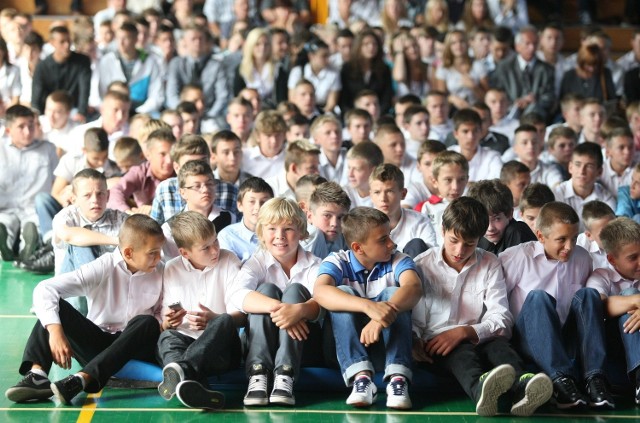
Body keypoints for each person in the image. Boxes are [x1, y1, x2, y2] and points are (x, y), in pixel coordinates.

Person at [413, 196, 552, 417]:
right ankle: (482, 391)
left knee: (500, 348)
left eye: (469, 244)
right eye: (453, 240)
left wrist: (466, 331)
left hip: (479, 336)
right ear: (442, 230)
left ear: (480, 239)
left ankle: (523, 387)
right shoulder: (422, 264)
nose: (459, 250)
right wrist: (415, 340)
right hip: (440, 344)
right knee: (462, 354)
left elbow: (502, 317)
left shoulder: (489, 262)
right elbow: (416, 318)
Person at [5, 215, 165, 405]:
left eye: (160, 251)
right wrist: (55, 332)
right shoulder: (104, 266)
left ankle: (82, 379)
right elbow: (45, 288)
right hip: (97, 344)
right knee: (54, 309)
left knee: (147, 322)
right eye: (152, 253)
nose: (159, 257)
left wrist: (166, 320)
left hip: (133, 345)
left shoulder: (161, 270)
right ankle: (37, 375)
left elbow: (160, 313)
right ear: (129, 253)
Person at [500, 202, 615, 409]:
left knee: (589, 295)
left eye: (573, 238)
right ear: (541, 236)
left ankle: (594, 378)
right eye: (561, 240)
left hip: (565, 339)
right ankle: (561, 380)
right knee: (538, 297)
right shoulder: (516, 257)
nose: (569, 247)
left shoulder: (582, 258)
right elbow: (497, 304)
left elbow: (584, 310)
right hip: (528, 338)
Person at [313, 207, 423, 409]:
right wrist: (368, 307)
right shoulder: (338, 260)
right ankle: (360, 379)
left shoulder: (398, 258)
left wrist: (379, 318)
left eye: (389, 235)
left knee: (393, 294)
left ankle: (398, 380)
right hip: (342, 353)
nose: (392, 243)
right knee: (343, 291)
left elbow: (414, 287)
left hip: (386, 349)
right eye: (383, 240)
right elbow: (320, 292)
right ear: (358, 247)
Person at [228, 197, 322, 406]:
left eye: (288, 228)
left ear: (301, 232)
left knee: (296, 291)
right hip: (262, 346)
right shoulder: (257, 262)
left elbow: (323, 301)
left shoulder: (315, 264)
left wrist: (301, 310)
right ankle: (258, 374)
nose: (279, 236)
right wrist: (283, 310)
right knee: (266, 291)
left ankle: (285, 374)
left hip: (304, 347)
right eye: (271, 229)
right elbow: (236, 294)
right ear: (261, 233)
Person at [157, 212, 244, 410]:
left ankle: (181, 371)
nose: (215, 250)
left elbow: (241, 317)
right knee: (167, 337)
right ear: (184, 253)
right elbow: (167, 320)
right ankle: (195, 389)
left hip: (221, 350)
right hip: (186, 342)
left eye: (216, 242)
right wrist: (170, 321)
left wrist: (212, 319)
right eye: (206, 248)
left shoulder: (229, 260)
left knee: (224, 320)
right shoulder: (171, 268)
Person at [588, 217, 640, 405]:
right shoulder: (601, 275)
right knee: (629, 295)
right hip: (614, 355)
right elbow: (599, 306)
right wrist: (635, 301)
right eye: (633, 258)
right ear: (612, 259)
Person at [0, 105, 58, 262]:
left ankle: (28, 247)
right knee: (3, 224)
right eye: (21, 127)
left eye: (31, 125)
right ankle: (4, 246)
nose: (28, 131)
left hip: (34, 209)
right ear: (8, 130)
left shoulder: (48, 149)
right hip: (4, 208)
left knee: (33, 227)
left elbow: (57, 182)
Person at [151, 135, 239, 225]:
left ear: (210, 161)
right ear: (177, 167)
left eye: (203, 162)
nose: (199, 169)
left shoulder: (230, 191)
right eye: (190, 165)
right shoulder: (165, 189)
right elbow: (154, 230)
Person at [162, 160, 236, 259]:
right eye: (197, 186)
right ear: (183, 192)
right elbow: (170, 264)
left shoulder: (229, 218)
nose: (205, 190)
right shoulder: (170, 228)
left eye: (209, 184)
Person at [95, 22, 163, 115]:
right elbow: (102, 93)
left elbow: (156, 97)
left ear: (135, 39)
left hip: (142, 112)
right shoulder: (107, 61)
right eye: (118, 38)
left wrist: (137, 113)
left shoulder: (150, 61)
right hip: (114, 110)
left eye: (126, 38)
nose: (121, 43)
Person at [489, 26, 555, 122]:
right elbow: (497, 93)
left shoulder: (547, 69)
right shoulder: (503, 68)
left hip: (537, 117)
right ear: (517, 46)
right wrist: (515, 103)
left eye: (535, 44)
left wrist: (534, 101)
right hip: (508, 115)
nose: (532, 48)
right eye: (527, 44)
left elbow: (549, 97)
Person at [107, 128, 176, 215]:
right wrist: (129, 213)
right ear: (148, 154)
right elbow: (115, 193)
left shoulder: (181, 173)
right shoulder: (139, 173)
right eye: (162, 154)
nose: (169, 160)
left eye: (172, 153)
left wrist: (155, 210)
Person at [31, 26, 92, 122]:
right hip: (50, 113)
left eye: (68, 41)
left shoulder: (82, 61)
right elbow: (36, 97)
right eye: (62, 42)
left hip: (74, 111)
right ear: (52, 43)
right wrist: (37, 118)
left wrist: (81, 112)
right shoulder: (42, 67)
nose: (67, 45)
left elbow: (85, 89)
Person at [553, 142, 616, 231]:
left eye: (589, 166)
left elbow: (609, 233)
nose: (582, 171)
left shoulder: (606, 199)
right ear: (570, 167)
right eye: (578, 164)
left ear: (599, 172)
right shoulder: (556, 194)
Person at [467, 179, 536, 255]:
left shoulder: (517, 231)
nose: (490, 228)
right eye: (483, 220)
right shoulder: (479, 238)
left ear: (510, 214)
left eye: (497, 219)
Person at [218, 177, 274, 262]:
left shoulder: (279, 234)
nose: (258, 207)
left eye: (263, 202)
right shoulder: (227, 236)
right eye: (252, 201)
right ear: (240, 205)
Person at [339, 29, 392, 116]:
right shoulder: (347, 69)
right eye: (366, 44)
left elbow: (386, 98)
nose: (371, 47)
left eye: (374, 44)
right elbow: (344, 99)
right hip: (353, 116)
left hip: (378, 116)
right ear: (358, 46)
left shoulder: (384, 69)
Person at [233, 28, 288, 109]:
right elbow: (237, 96)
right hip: (248, 111)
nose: (262, 48)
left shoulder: (278, 69)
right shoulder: (241, 69)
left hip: (271, 111)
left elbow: (281, 98)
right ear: (250, 46)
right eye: (257, 44)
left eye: (266, 44)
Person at [434, 30, 488, 111]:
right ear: (449, 46)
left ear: (467, 43)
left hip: (477, 110)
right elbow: (439, 98)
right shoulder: (443, 68)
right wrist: (451, 99)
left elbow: (488, 97)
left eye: (461, 41)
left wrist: (474, 87)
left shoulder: (478, 65)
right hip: (453, 112)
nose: (458, 45)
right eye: (453, 43)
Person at [448, 108, 502, 182]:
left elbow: (495, 188)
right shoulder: (448, 155)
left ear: (480, 132)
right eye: (465, 131)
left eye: (475, 131)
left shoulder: (492, 157)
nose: (471, 136)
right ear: (456, 134)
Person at [287, 38, 340, 114]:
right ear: (311, 56)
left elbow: (331, 103)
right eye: (323, 56)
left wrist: (318, 115)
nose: (328, 59)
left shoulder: (334, 73)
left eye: (328, 55)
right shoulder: (297, 72)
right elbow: (292, 99)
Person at [302, 181, 350, 259]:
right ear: (310, 216)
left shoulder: (341, 236)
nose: (334, 224)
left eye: (340, 217)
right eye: (327, 215)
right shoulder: (313, 234)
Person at [242, 110, 287, 180]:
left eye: (278, 135)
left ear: (284, 135)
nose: (274, 141)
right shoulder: (244, 157)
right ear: (257, 136)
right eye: (268, 135)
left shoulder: (292, 157)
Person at [403, 141, 447, 210]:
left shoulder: (456, 186)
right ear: (418, 166)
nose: (433, 169)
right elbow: (404, 210)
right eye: (427, 164)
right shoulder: (415, 190)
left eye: (437, 163)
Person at [343, 141, 384, 209]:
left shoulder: (386, 197)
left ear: (374, 171)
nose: (350, 174)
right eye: (349, 167)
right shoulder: (344, 194)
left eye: (357, 169)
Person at [577, 201, 616, 270]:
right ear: (589, 235)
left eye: (614, 228)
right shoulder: (579, 248)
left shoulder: (631, 235)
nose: (612, 235)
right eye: (604, 233)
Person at [312, 114, 347, 185]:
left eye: (337, 132)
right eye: (328, 133)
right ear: (316, 140)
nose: (334, 136)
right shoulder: (313, 162)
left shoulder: (352, 157)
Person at [601, 126, 635, 198]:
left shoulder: (637, 169)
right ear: (608, 151)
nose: (627, 152)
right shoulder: (599, 172)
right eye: (621, 147)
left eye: (630, 147)